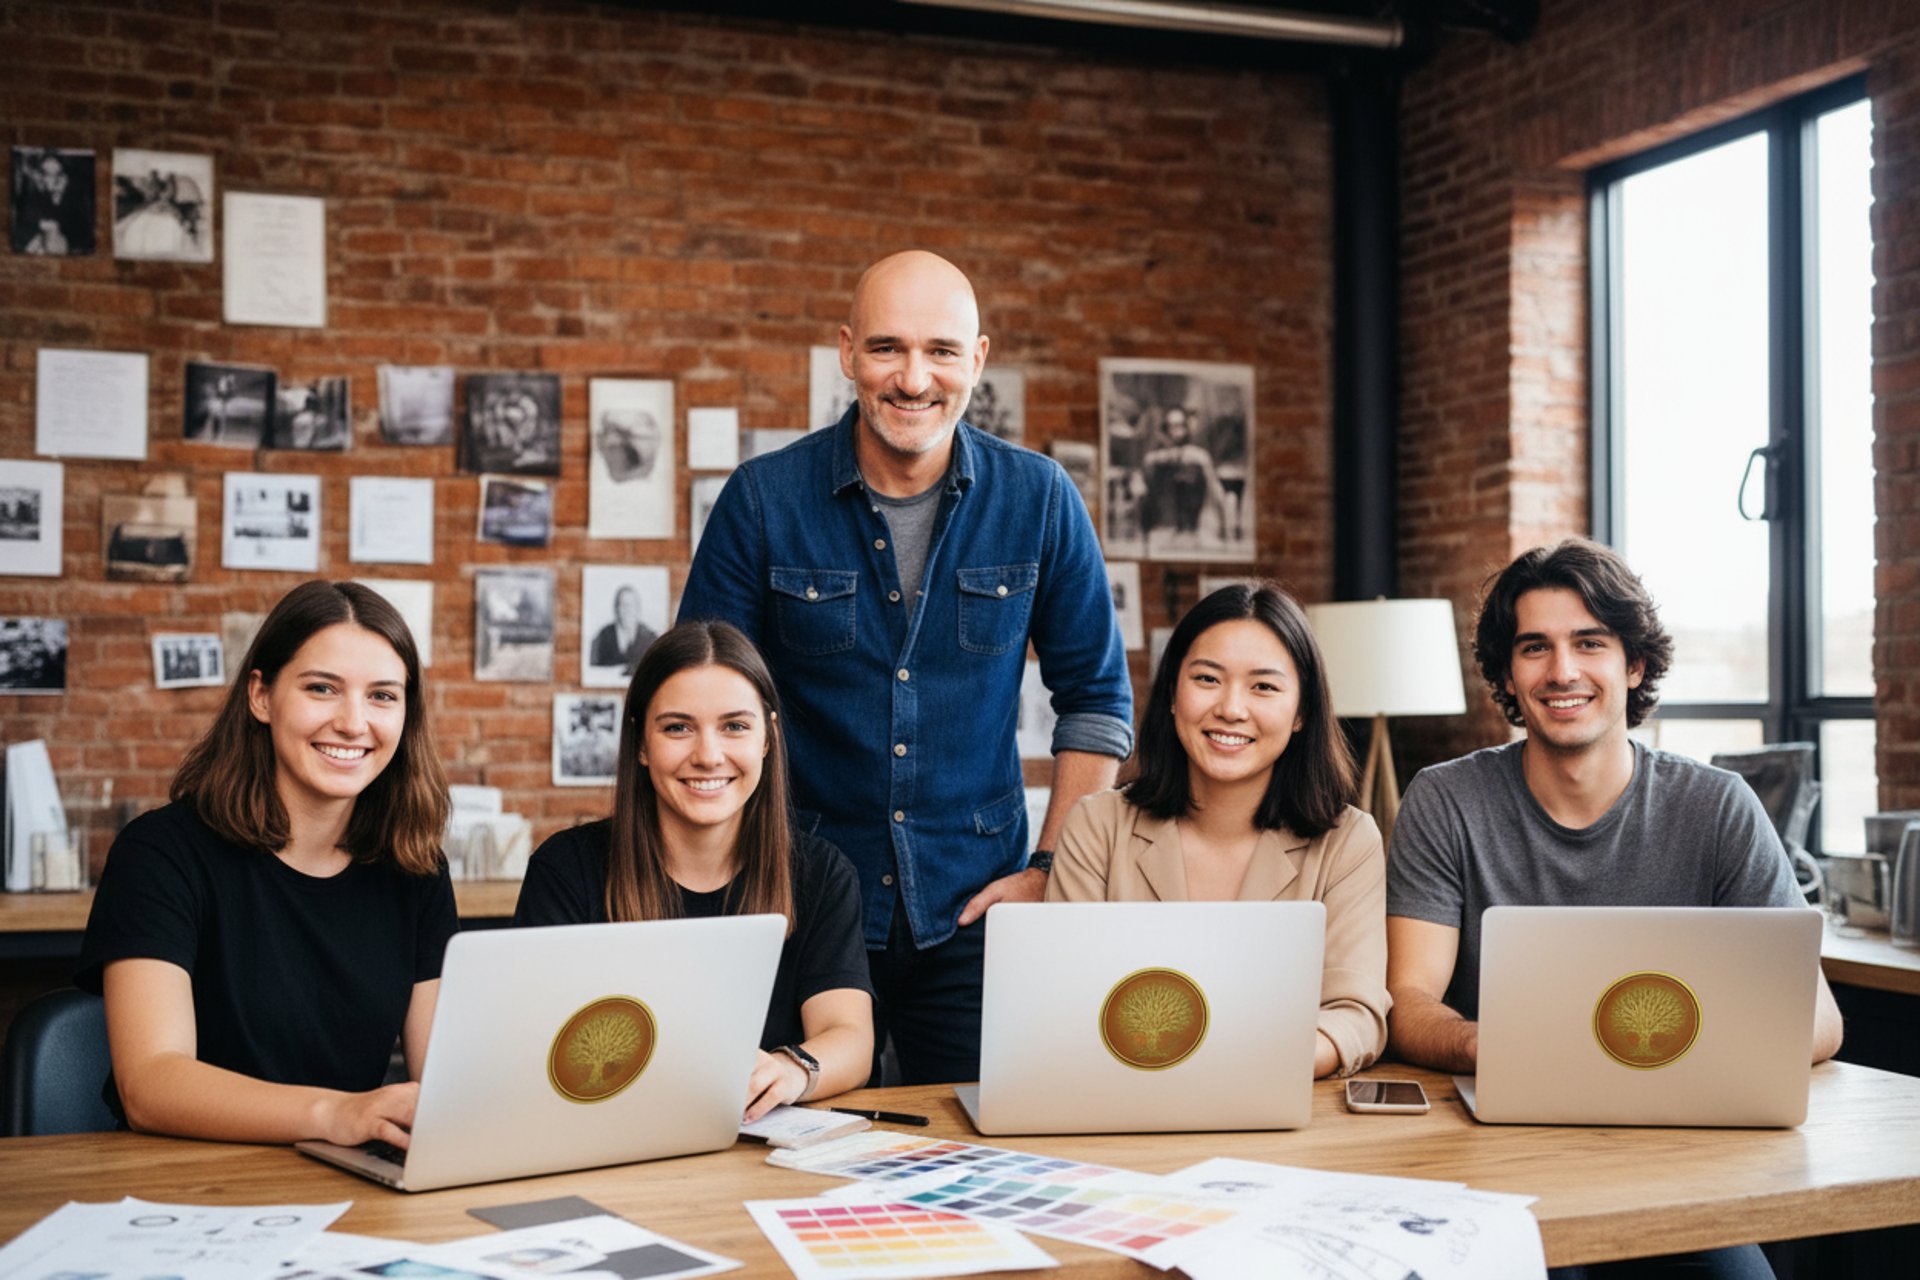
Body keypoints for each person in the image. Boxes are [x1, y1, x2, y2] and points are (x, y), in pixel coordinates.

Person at [678, 249, 1133, 1085]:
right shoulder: (763, 500)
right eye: (887, 348)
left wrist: (1048, 873)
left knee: (988, 1147)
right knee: (774, 1134)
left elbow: (1098, 700)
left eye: (941, 351)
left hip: (975, 910)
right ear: (847, 353)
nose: (913, 378)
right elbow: (697, 700)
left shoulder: (1040, 499)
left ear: (979, 361)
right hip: (797, 905)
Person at [1386, 538, 1842, 1280]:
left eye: (1589, 643)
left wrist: (1650, 1061)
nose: (1562, 671)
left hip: (1678, 1162)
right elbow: (1408, 1001)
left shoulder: (1718, 806)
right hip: (1497, 1160)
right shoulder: (1446, 800)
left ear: (1632, 664)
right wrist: (1495, 1048)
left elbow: (1819, 1020)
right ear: (1507, 672)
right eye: (1534, 648)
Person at [76, 581, 455, 1148]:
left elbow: (447, 1079)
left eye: (382, 696)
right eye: (322, 688)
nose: (354, 723)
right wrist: (336, 1115)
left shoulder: (416, 866)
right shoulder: (160, 853)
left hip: (344, 1182)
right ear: (261, 696)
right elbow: (150, 1083)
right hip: (181, 1184)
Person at [514, 621, 873, 1120]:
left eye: (735, 726)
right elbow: (532, 1050)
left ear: (767, 738)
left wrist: (792, 1070)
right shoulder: (566, 869)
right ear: (641, 743)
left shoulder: (820, 873)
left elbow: (851, 1038)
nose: (708, 755)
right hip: (610, 1140)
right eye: (677, 727)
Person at [1047, 582, 1389, 1079]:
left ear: (1301, 714)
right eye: (1207, 679)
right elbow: (1063, 1004)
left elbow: (1354, 1016)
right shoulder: (1096, 827)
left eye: (1264, 687)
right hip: (1121, 1100)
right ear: (1170, 693)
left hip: (1275, 1099)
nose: (1231, 708)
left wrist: (1232, 1065)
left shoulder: (1349, 841)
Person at [590, 584, 658, 674]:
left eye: (631, 605)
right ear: (616, 608)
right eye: (623, 605)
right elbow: (593, 672)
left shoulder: (650, 638)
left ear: (638, 609)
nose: (627, 610)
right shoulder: (602, 637)